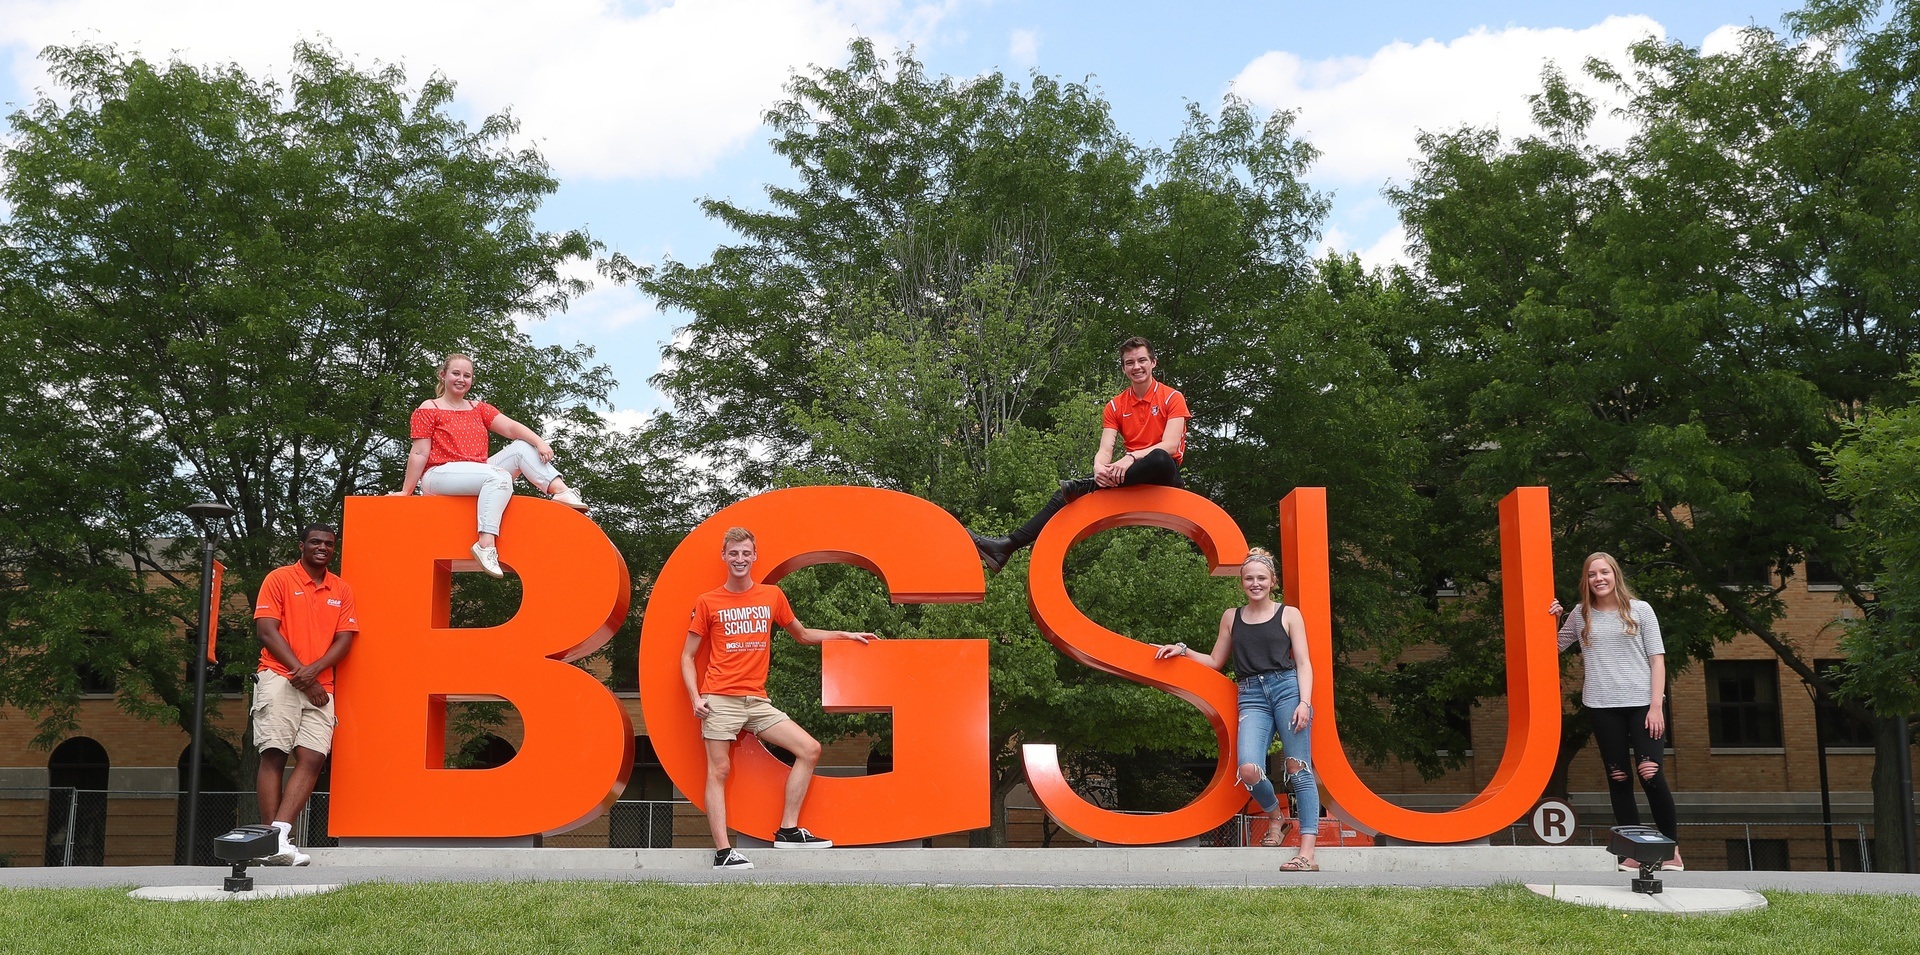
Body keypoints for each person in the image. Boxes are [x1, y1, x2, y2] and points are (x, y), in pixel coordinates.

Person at [682, 526, 878, 870]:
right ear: (724, 557)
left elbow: (801, 635)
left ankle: (787, 831)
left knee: (810, 749)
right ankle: (723, 852)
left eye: (746, 553)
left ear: (754, 556)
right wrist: (695, 697)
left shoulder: (772, 596)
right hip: (719, 699)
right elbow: (687, 656)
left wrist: (843, 634)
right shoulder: (708, 601)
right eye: (734, 553)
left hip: (757, 701)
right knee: (719, 770)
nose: (740, 559)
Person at [1153, 548, 1321, 871]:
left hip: (1288, 689)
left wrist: (1305, 701)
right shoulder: (1232, 617)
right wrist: (1183, 651)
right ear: (1242, 583)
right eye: (1249, 579)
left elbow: (1304, 662)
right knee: (1247, 768)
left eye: (1261, 578)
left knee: (1298, 767)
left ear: (1272, 581)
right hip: (1251, 694)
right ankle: (1276, 817)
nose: (1255, 583)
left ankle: (1307, 854)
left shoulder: (1289, 614)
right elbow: (1216, 661)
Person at [970, 336, 1189, 571]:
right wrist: (1100, 468)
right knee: (1063, 495)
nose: (1136, 367)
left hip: (1161, 475)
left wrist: (1131, 457)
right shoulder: (1115, 406)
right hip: (1130, 477)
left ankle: (1088, 484)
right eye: (1129, 362)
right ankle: (1006, 546)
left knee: (1158, 458)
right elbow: (1105, 450)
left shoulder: (1172, 397)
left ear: (1153, 362)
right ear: (1124, 368)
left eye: (1142, 360)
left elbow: (1170, 445)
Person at [392, 353, 588, 578]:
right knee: (499, 476)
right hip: (439, 474)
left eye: (467, 375)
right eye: (455, 373)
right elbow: (419, 452)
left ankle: (560, 491)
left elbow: (511, 428)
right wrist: (407, 491)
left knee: (522, 447)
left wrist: (539, 442)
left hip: (478, 470)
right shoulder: (430, 407)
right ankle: (485, 545)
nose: (461, 379)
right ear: (443, 375)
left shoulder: (478, 408)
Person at [1549, 552, 1684, 871]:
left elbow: (1657, 660)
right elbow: (1553, 647)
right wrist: (1553, 619)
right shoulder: (1581, 615)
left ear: (1615, 575)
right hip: (1602, 706)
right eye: (1592, 574)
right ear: (1586, 581)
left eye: (1604, 572)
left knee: (1649, 772)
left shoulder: (1640, 610)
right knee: (1619, 776)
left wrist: (1656, 705)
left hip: (1642, 705)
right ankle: (1635, 851)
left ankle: (1670, 849)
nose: (1599, 578)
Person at [251, 524, 359, 866]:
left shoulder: (341, 588)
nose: (322, 547)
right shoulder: (279, 578)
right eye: (315, 541)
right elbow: (266, 630)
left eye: (328, 543)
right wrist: (303, 673)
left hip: (320, 687)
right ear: (302, 546)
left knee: (313, 758)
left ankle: (279, 835)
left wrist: (313, 674)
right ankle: (271, 842)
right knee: (274, 754)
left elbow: (345, 639)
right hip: (279, 678)